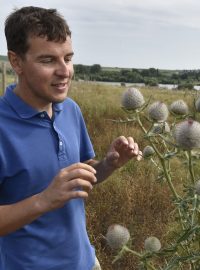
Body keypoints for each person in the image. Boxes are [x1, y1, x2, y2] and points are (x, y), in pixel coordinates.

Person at [0, 6, 142, 270]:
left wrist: (108, 164)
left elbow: (82, 177)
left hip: (85, 261)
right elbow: (51, 195)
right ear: (16, 62)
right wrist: (43, 200)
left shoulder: (71, 109)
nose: (64, 71)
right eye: (48, 60)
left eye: (68, 58)